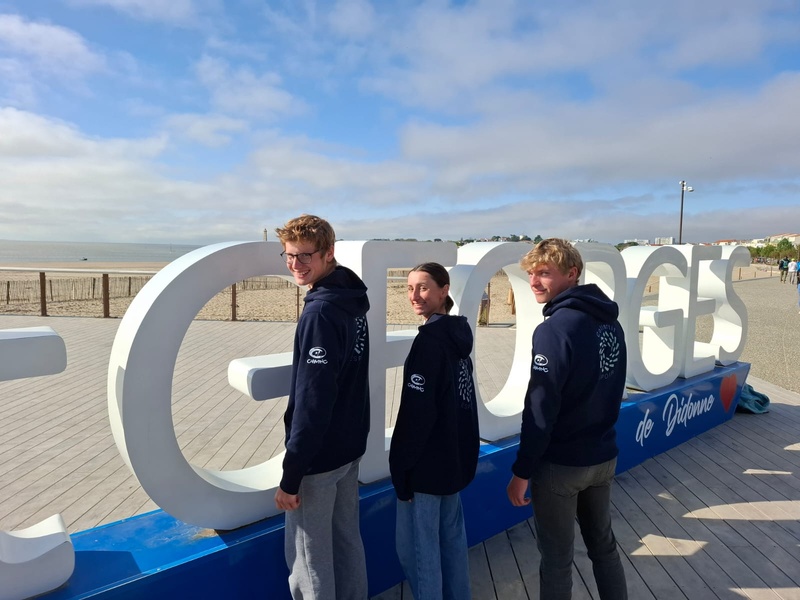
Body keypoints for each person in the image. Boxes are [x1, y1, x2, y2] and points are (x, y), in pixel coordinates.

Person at [506, 238, 628, 600]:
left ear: (571, 273)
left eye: (544, 273)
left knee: (557, 561)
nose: (534, 281)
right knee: (604, 547)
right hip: (603, 458)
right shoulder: (611, 323)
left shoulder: (555, 329)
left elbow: (540, 408)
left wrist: (521, 472)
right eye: (531, 274)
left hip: (561, 466)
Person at [274, 214, 371, 600]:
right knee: (347, 541)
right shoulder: (351, 300)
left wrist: (292, 473)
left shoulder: (320, 312)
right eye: (289, 255)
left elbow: (314, 399)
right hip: (349, 447)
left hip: (320, 458)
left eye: (305, 256)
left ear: (328, 253)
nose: (295, 264)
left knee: (308, 558)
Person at [389, 262, 480, 600]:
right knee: (452, 542)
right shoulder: (457, 337)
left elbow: (417, 416)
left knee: (419, 552)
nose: (414, 295)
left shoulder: (429, 343)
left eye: (424, 287)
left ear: (444, 291)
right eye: (409, 288)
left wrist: (401, 472)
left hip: (426, 471)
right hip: (452, 463)